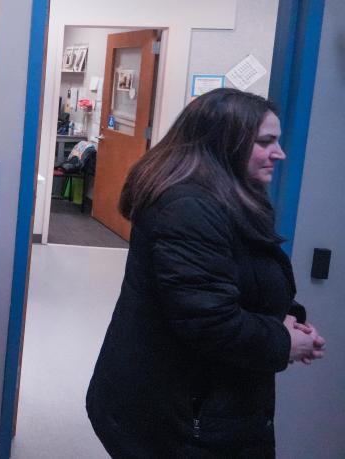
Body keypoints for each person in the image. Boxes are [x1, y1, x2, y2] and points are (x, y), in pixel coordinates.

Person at [86, 88, 327, 457]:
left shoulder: (230, 197)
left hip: (200, 404)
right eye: (266, 142)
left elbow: (238, 280)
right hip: (177, 419)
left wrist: (285, 318)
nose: (279, 153)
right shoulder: (187, 209)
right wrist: (282, 341)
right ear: (225, 142)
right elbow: (209, 321)